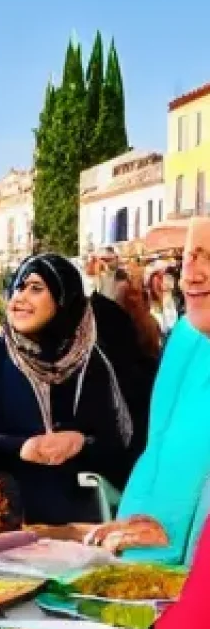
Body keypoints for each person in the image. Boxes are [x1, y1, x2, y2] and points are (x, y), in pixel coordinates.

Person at [0, 254, 139, 525]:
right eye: (19, 287)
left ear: (63, 300)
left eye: (36, 289)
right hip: (4, 520)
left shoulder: (91, 362)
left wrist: (81, 443)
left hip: (80, 524)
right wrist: (22, 447)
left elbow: (119, 446)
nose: (21, 298)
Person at [113, 219, 210, 565]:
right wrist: (140, 522)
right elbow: (159, 450)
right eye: (188, 258)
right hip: (152, 566)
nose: (193, 276)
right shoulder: (186, 336)